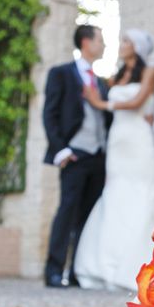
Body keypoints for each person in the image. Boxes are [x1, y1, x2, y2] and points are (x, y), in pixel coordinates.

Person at [73, 29, 154, 291]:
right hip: (118, 141)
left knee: (139, 192)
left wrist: (100, 104)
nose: (121, 45)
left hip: (138, 140)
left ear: (137, 46)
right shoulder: (116, 76)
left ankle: (138, 264)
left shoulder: (150, 72)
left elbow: (137, 101)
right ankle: (104, 265)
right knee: (116, 193)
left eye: (125, 41)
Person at [42, 25, 112, 288]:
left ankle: (76, 273)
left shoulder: (102, 82)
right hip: (75, 154)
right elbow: (50, 114)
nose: (103, 45)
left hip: (98, 156)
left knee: (87, 215)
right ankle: (53, 270)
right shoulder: (61, 74)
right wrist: (62, 149)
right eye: (100, 40)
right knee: (67, 211)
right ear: (86, 42)